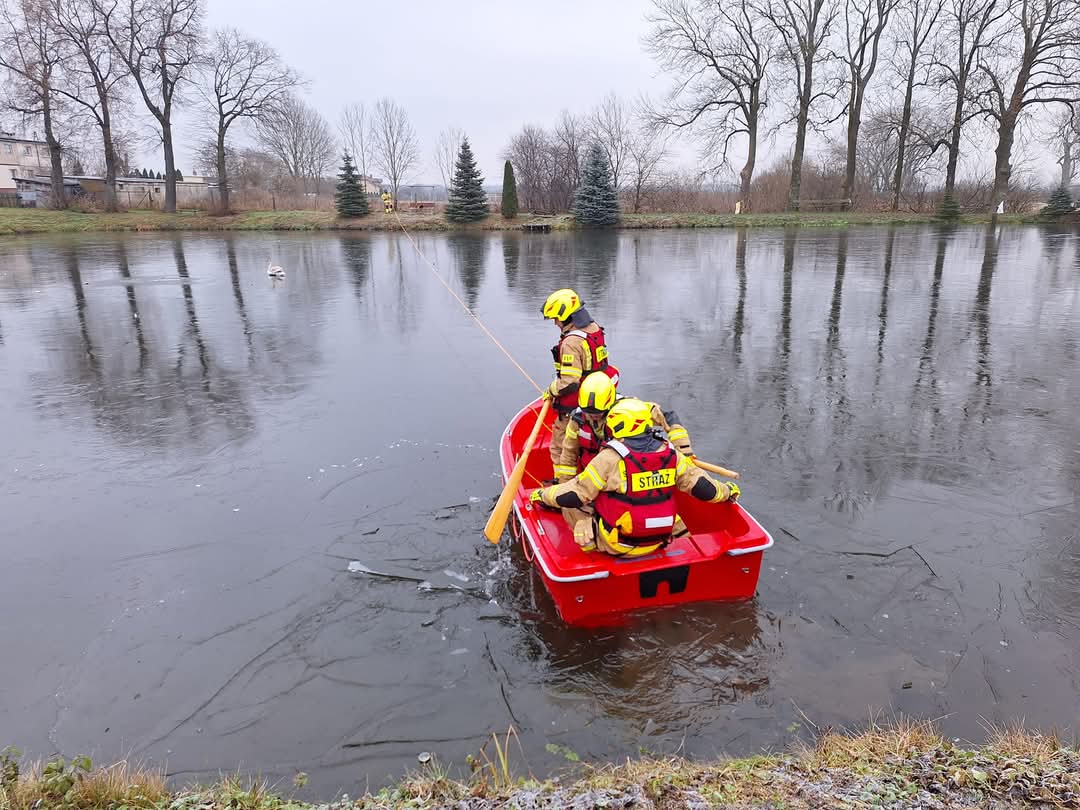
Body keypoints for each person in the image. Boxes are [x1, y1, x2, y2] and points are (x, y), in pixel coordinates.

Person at [529, 398, 739, 557]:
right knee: (661, 508)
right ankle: (682, 547)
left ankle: (593, 554)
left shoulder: (609, 459)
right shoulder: (671, 455)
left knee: (574, 507)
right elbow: (705, 489)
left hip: (618, 544)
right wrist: (729, 491)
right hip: (658, 539)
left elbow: (576, 493)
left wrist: (542, 495)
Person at [553, 371, 693, 483]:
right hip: (593, 478)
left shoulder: (630, 410)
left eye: (598, 413)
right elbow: (569, 454)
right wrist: (564, 486)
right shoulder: (578, 418)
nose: (593, 416)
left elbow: (668, 418)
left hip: (625, 478)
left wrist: (684, 451)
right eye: (589, 413)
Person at [540, 288, 618, 474]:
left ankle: (561, 488)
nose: (555, 324)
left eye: (556, 319)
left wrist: (551, 390)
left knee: (561, 450)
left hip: (574, 406)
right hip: (599, 401)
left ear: (566, 316)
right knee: (593, 445)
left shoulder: (570, 342)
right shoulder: (595, 329)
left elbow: (570, 382)